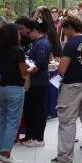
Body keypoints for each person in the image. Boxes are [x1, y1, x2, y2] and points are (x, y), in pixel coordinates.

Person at [52, 15, 82, 163]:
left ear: (69, 28)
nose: (64, 33)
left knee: (67, 121)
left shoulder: (71, 44)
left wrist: (59, 66)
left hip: (72, 86)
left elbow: (62, 69)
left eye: (64, 30)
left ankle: (65, 156)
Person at [0, 23, 37, 163]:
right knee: (13, 122)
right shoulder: (17, 51)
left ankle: (1, 152)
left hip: (3, 87)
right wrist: (31, 68)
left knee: (4, 121)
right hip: (15, 88)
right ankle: (6, 154)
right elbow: (23, 72)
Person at [21, 18, 51, 147]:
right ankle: (32, 135)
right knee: (32, 110)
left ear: (35, 31)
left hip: (39, 81)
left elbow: (41, 62)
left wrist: (28, 69)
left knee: (38, 111)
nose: (28, 36)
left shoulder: (42, 43)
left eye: (29, 33)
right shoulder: (38, 43)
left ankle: (38, 138)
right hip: (34, 81)